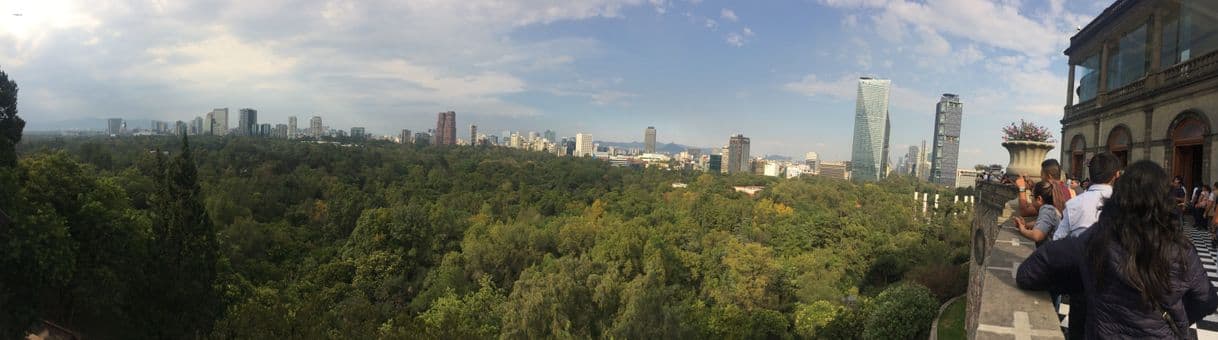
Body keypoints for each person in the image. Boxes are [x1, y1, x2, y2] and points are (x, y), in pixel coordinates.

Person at [1017, 160, 1218, 338]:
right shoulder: (1182, 250)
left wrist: (1082, 283)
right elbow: (1207, 300)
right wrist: (1174, 321)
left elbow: (1030, 272)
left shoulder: (1098, 238)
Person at [1050, 152, 1121, 339]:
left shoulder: (1074, 203)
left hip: (1080, 279)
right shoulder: (1125, 204)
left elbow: (1058, 241)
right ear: (1117, 175)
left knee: (1077, 328)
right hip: (1116, 283)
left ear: (1089, 174)